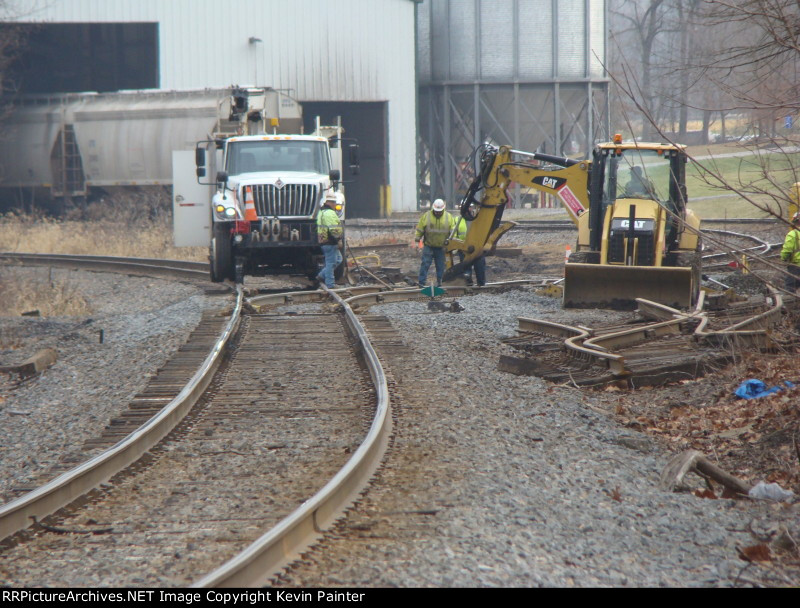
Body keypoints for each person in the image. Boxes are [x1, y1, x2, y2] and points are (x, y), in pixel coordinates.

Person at [415, 199, 454, 287]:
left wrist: (452, 241)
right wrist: (418, 237)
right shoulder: (427, 216)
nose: (438, 213)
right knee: (425, 264)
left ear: (443, 209)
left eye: (439, 212)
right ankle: (421, 283)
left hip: (441, 247)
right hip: (429, 245)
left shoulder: (448, 217)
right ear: (433, 209)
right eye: (436, 211)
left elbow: (453, 231)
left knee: (440, 266)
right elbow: (421, 227)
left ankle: (440, 283)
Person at [316, 198, 343, 288]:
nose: (335, 204)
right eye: (334, 202)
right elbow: (333, 229)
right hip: (330, 242)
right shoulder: (329, 213)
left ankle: (321, 275)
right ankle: (330, 284)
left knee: (339, 259)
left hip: (324, 241)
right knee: (330, 264)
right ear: (329, 203)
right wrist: (338, 240)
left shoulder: (321, 212)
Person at [453, 215, 487, 286]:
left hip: (477, 248)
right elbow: (454, 234)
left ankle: (481, 284)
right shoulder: (457, 220)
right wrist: (457, 245)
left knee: (480, 268)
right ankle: (468, 285)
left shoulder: (479, 218)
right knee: (466, 270)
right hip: (463, 249)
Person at [780, 212, 800, 292]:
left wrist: (783, 258)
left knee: (790, 288)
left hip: (796, 266)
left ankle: (792, 304)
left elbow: (787, 250)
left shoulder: (793, 234)